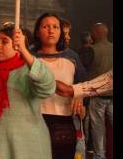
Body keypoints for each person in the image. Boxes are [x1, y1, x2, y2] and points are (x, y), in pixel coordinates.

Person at [0, 26, 55, 158]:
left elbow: (47, 86)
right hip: (1, 145)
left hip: (30, 145)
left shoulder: (29, 70)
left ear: (17, 44)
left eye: (4, 41)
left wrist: (25, 51)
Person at [32, 13, 87, 159]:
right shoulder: (30, 58)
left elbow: (82, 84)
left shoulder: (72, 57)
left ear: (61, 32)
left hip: (64, 122)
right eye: (45, 26)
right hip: (34, 120)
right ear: (37, 32)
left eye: (55, 27)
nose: (51, 30)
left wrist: (80, 97)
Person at [88, 22, 113, 159]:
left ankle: (99, 157)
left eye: (92, 32)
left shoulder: (91, 50)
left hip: (96, 97)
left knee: (98, 133)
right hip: (113, 97)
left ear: (97, 33)